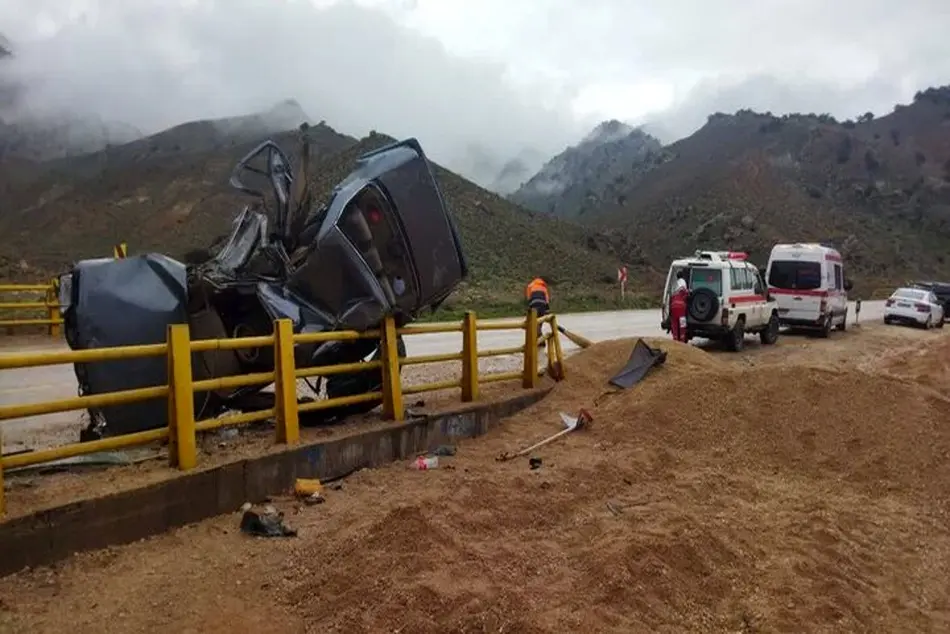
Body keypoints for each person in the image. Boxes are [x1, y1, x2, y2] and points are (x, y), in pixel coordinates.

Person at [524, 276, 550, 341]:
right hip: (542, 305)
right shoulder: (543, 287)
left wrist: (530, 308)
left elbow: (529, 298)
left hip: (534, 305)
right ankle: (540, 339)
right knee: (539, 322)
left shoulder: (530, 286)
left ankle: (537, 340)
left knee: (535, 322)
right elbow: (546, 300)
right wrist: (547, 310)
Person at [669, 270, 689, 343]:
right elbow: (685, 292)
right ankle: (682, 340)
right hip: (681, 307)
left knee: (674, 324)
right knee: (682, 324)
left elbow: (671, 297)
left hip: (673, 306)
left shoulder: (675, 284)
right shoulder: (683, 282)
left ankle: (675, 340)